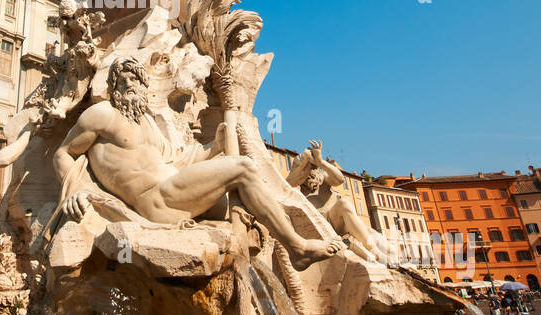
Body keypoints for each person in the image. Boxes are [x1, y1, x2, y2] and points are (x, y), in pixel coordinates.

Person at [54, 56, 343, 269]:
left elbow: (179, 161)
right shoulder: (102, 114)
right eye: (122, 79)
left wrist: (214, 148)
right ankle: (297, 247)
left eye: (135, 79)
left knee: (246, 198)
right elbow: (63, 153)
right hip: (155, 200)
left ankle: (277, 243)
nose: (129, 84)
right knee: (243, 168)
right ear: (112, 85)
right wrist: (76, 190)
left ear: (144, 86)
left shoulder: (147, 124)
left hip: (174, 190)